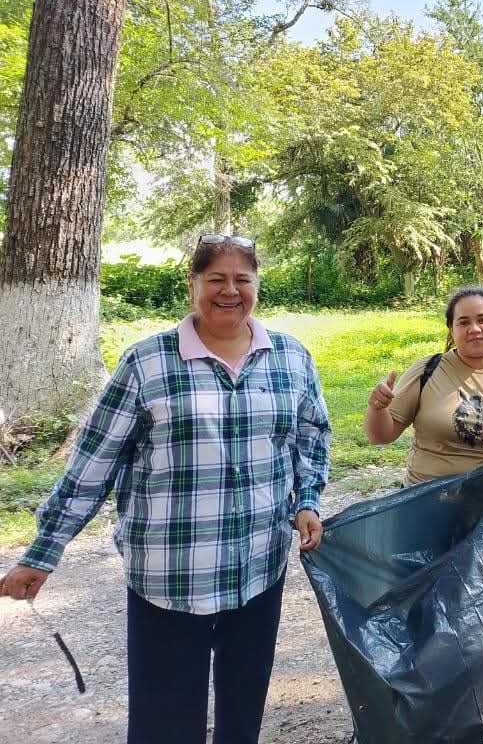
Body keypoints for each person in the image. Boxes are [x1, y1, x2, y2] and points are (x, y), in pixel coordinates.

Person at [0, 235, 331, 744]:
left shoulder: (290, 357)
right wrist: (43, 552)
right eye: (215, 279)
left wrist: (306, 502)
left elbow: (312, 438)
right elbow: (95, 462)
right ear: (193, 283)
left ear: (257, 284)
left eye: (242, 279)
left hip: (258, 567)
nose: (229, 291)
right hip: (171, 576)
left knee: (243, 712)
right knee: (164, 723)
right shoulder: (147, 363)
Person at [364, 286, 483, 482]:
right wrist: (377, 408)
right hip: (429, 503)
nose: (474, 329)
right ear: (451, 330)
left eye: (482, 319)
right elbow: (381, 436)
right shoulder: (427, 370)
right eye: (463, 322)